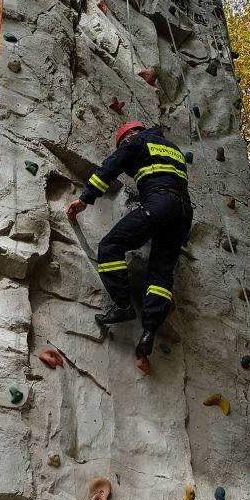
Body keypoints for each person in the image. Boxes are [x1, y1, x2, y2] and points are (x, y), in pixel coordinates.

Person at [66, 120, 193, 361]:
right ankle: (149, 332)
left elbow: (110, 168)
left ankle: (123, 305)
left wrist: (84, 200)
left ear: (129, 135)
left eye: (122, 141)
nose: (124, 144)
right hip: (184, 213)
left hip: (159, 203)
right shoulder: (172, 149)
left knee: (110, 247)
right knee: (160, 274)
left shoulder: (136, 141)